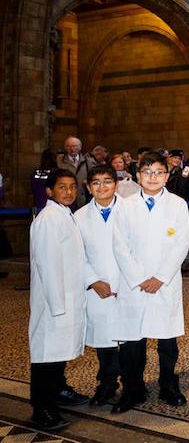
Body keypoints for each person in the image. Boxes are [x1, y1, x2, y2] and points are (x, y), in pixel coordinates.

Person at [110, 152, 189, 413]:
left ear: (167, 176)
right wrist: (139, 278)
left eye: (158, 172)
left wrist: (160, 277)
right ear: (139, 175)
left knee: (167, 341)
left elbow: (181, 244)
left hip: (164, 283)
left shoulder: (177, 205)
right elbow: (119, 244)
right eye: (147, 172)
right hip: (135, 284)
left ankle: (169, 385)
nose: (153, 177)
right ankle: (133, 388)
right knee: (133, 342)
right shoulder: (124, 203)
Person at [28, 169, 89, 430]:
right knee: (47, 355)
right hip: (55, 301)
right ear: (49, 191)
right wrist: (57, 305)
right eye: (62, 187)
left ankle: (59, 391)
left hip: (68, 297)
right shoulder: (48, 219)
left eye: (72, 187)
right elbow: (48, 263)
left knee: (59, 352)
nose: (69, 192)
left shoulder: (65, 215)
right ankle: (41, 408)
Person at [74, 165, 123, 407]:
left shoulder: (130, 210)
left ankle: (134, 383)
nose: (102, 187)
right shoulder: (79, 217)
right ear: (88, 186)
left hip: (127, 284)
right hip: (98, 287)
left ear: (116, 183)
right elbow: (76, 254)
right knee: (104, 340)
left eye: (107, 181)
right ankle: (106, 384)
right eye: (96, 183)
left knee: (130, 340)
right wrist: (93, 280)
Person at [58, 136, 96, 208]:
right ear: (65, 148)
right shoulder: (59, 161)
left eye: (74, 146)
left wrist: (89, 180)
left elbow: (95, 176)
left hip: (83, 197)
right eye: (68, 146)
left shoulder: (88, 161)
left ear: (80, 147)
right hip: (66, 196)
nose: (72, 149)